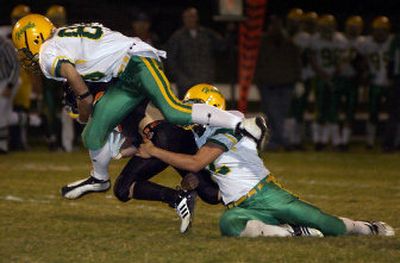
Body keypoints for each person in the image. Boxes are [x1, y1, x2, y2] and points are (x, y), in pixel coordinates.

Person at [12, 14, 265, 202]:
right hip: (123, 75)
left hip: (136, 61)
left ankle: (242, 124)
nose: (25, 55)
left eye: (23, 48)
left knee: (174, 110)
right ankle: (99, 179)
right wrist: (88, 111)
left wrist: (85, 102)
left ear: (33, 38)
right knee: (92, 134)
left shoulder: (47, 51)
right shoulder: (63, 36)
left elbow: (73, 76)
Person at [135, 95, 395, 238]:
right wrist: (193, 183)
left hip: (267, 195)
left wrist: (155, 151)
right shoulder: (201, 136)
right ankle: (292, 232)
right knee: (229, 224)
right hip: (242, 205)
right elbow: (216, 178)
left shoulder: (228, 127)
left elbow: (196, 162)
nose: (189, 113)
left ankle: (367, 227)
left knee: (332, 227)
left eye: (194, 107)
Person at [254, 15, 301, 150]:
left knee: (280, 114)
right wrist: (258, 81)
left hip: (285, 83)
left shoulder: (288, 42)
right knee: (273, 114)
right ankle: (281, 141)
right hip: (268, 84)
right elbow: (257, 64)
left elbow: (296, 62)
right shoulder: (262, 42)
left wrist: (297, 80)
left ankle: (276, 141)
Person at [167, 7, 227, 98]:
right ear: (183, 19)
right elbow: (171, 59)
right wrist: (180, 77)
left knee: (206, 108)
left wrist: (229, 30)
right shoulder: (177, 36)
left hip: (205, 81)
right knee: (186, 109)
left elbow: (222, 47)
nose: (190, 20)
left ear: (197, 18)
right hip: (185, 83)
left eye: (192, 16)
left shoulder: (207, 34)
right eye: (187, 17)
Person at [310, 14, 348, 151]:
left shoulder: (341, 40)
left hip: (335, 77)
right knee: (320, 109)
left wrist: (334, 74)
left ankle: (333, 140)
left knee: (334, 109)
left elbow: (344, 60)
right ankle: (318, 140)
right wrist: (323, 74)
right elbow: (312, 60)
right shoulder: (315, 40)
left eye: (329, 27)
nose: (327, 29)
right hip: (320, 77)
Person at [358, 16, 393, 149]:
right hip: (374, 84)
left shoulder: (393, 42)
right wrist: (365, 71)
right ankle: (370, 141)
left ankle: (391, 140)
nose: (380, 33)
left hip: (390, 84)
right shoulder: (367, 43)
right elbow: (361, 61)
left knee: (394, 114)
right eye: (377, 30)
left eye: (383, 30)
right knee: (372, 113)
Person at [336, 16, 365, 151]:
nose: (353, 30)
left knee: (349, 111)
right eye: (351, 27)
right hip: (338, 78)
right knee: (335, 110)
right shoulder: (338, 39)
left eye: (356, 27)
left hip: (353, 79)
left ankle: (344, 141)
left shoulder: (363, 42)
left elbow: (364, 63)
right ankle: (336, 140)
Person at [0, 35, 20, 153]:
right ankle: (33, 120)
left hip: (8, 80)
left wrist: (10, 85)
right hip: (2, 81)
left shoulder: (5, 44)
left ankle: (2, 146)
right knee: (6, 115)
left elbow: (15, 65)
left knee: (1, 111)